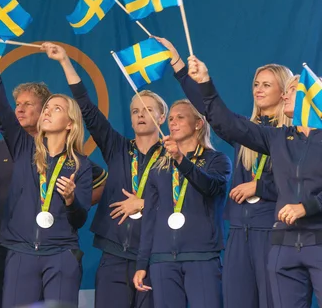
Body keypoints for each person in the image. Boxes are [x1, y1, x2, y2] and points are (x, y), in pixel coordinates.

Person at [158, 37, 292, 308]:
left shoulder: (293, 135)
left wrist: (260, 187)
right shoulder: (244, 130)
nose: (258, 89)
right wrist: (180, 68)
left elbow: (304, 184)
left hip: (272, 229)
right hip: (240, 230)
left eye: (267, 84)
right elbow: (212, 113)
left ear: (284, 92)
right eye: (256, 84)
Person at [186, 56, 322, 308]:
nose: (284, 97)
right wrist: (204, 83)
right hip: (285, 244)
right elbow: (229, 124)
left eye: (292, 91)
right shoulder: (279, 137)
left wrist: (306, 207)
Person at [44, 41, 166, 308]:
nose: (140, 115)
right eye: (135, 111)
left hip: (157, 255)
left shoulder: (174, 158)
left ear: (162, 116)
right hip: (114, 254)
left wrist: (144, 203)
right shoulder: (118, 148)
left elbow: (192, 200)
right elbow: (87, 109)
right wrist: (65, 62)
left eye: (147, 111)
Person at [0, 32, 92, 307]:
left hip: (61, 254)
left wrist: (72, 201)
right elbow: (1, 107)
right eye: (47, 107)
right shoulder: (23, 148)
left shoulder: (80, 164)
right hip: (19, 252)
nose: (48, 111)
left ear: (70, 123)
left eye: (56, 108)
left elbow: (79, 219)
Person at [133, 99, 231, 308]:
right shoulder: (158, 167)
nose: (173, 123)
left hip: (201, 256)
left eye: (180, 117)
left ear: (198, 123)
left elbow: (211, 187)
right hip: (162, 259)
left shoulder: (217, 160)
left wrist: (180, 159)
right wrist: (142, 263)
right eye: (170, 119)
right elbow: (149, 217)